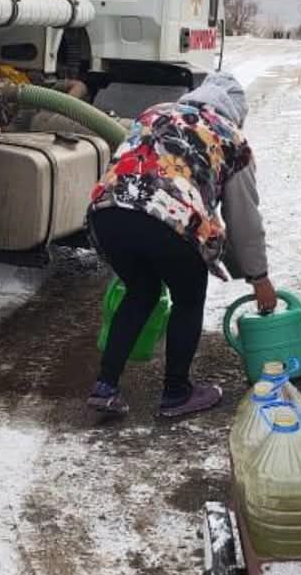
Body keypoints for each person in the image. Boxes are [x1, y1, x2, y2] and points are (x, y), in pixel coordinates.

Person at [87, 73, 276, 418]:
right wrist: (258, 277)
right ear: (236, 112)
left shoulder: (155, 112)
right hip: (169, 218)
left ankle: (105, 385)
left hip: (108, 211)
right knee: (189, 296)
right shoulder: (231, 138)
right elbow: (244, 220)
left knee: (141, 291)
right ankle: (176, 392)